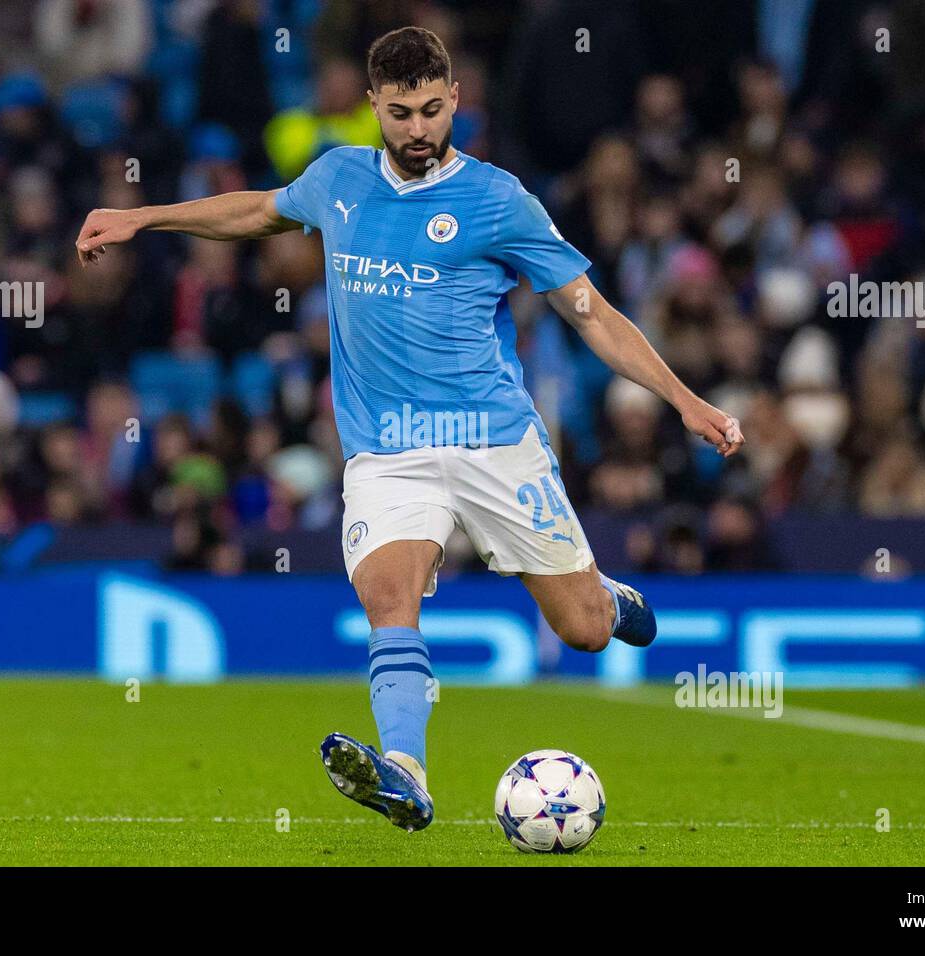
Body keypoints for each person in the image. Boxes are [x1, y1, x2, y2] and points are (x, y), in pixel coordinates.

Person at [74, 27, 744, 833]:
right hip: (387, 451)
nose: (419, 128)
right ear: (373, 109)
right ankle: (405, 770)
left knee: (585, 632)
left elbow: (592, 315)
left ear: (456, 98)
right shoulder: (340, 178)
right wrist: (141, 217)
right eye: (401, 113)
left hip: (494, 441)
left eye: (432, 109)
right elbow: (256, 211)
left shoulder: (499, 202)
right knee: (389, 598)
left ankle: (604, 593)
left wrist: (684, 400)